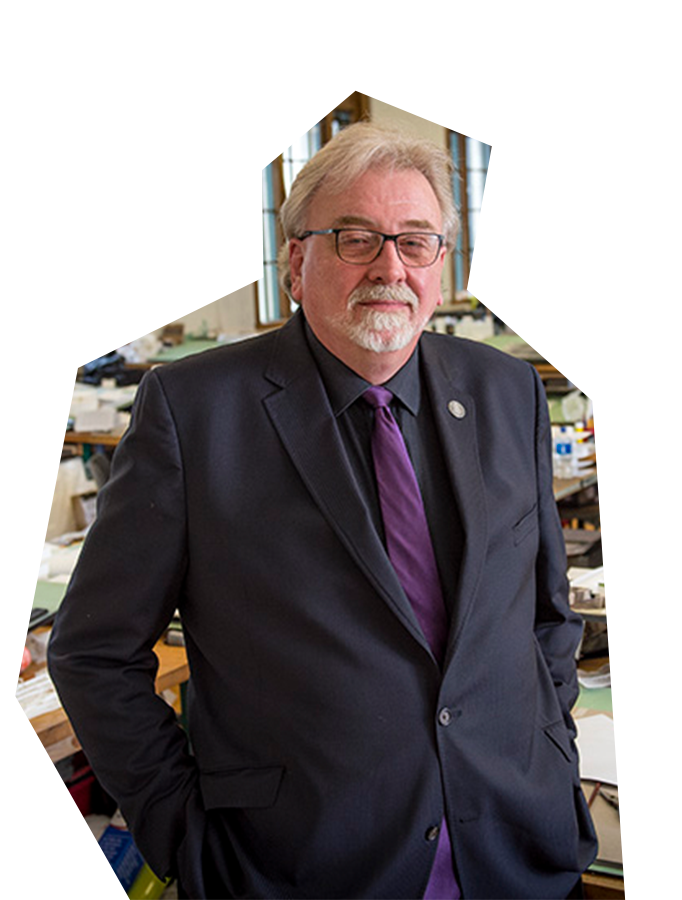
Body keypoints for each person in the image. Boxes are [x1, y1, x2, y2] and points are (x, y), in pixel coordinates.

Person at [48, 121, 597, 900]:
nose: (390, 267)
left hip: (515, 848)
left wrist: (552, 749)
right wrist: (183, 832)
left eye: (416, 241)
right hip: (300, 864)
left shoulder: (507, 391)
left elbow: (546, 611)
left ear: (443, 263)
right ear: (295, 263)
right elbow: (93, 652)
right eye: (355, 238)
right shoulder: (194, 411)